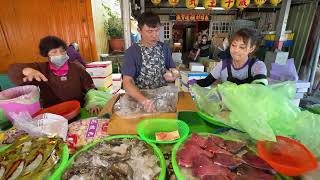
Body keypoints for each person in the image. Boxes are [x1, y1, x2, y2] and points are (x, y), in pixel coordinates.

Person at [8, 36, 100, 114]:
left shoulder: (77, 68)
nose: (59, 54)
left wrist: (93, 101)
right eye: (54, 52)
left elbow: (90, 87)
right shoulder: (41, 68)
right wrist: (27, 70)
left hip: (79, 109)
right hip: (53, 114)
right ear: (46, 54)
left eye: (62, 51)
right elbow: (13, 69)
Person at [121, 12, 179, 113]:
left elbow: (172, 68)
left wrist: (174, 74)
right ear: (139, 30)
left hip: (162, 99)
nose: (155, 35)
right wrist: (144, 101)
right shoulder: (132, 52)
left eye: (157, 30)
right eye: (150, 31)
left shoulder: (164, 48)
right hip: (139, 99)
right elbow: (127, 82)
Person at [189, 28, 268, 86]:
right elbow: (206, 81)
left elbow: (260, 88)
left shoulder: (257, 66)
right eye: (233, 45)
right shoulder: (223, 64)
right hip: (226, 107)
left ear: (251, 48)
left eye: (242, 47)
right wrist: (194, 82)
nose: (236, 50)